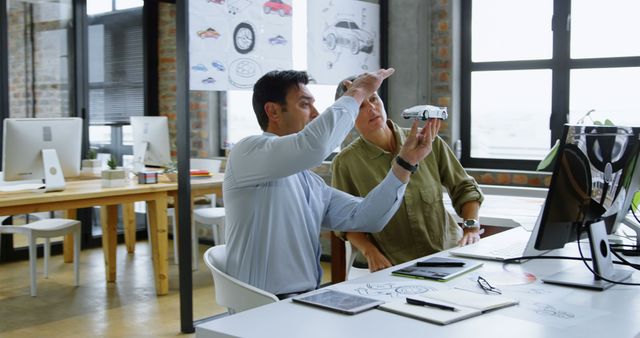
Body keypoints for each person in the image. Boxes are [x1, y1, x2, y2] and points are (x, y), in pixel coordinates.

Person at [223, 68, 439, 298]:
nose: (316, 114)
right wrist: (358, 91)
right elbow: (313, 147)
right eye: (305, 105)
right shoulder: (246, 152)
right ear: (273, 111)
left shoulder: (310, 183)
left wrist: (405, 164)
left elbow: (367, 217)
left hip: (305, 299)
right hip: (262, 307)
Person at [332, 75, 484, 272]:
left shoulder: (428, 141)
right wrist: (370, 252)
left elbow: (464, 188)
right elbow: (345, 221)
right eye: (360, 105)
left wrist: (471, 227)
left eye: (374, 98)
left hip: (447, 253)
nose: (372, 108)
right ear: (348, 116)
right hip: (394, 265)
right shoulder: (346, 163)